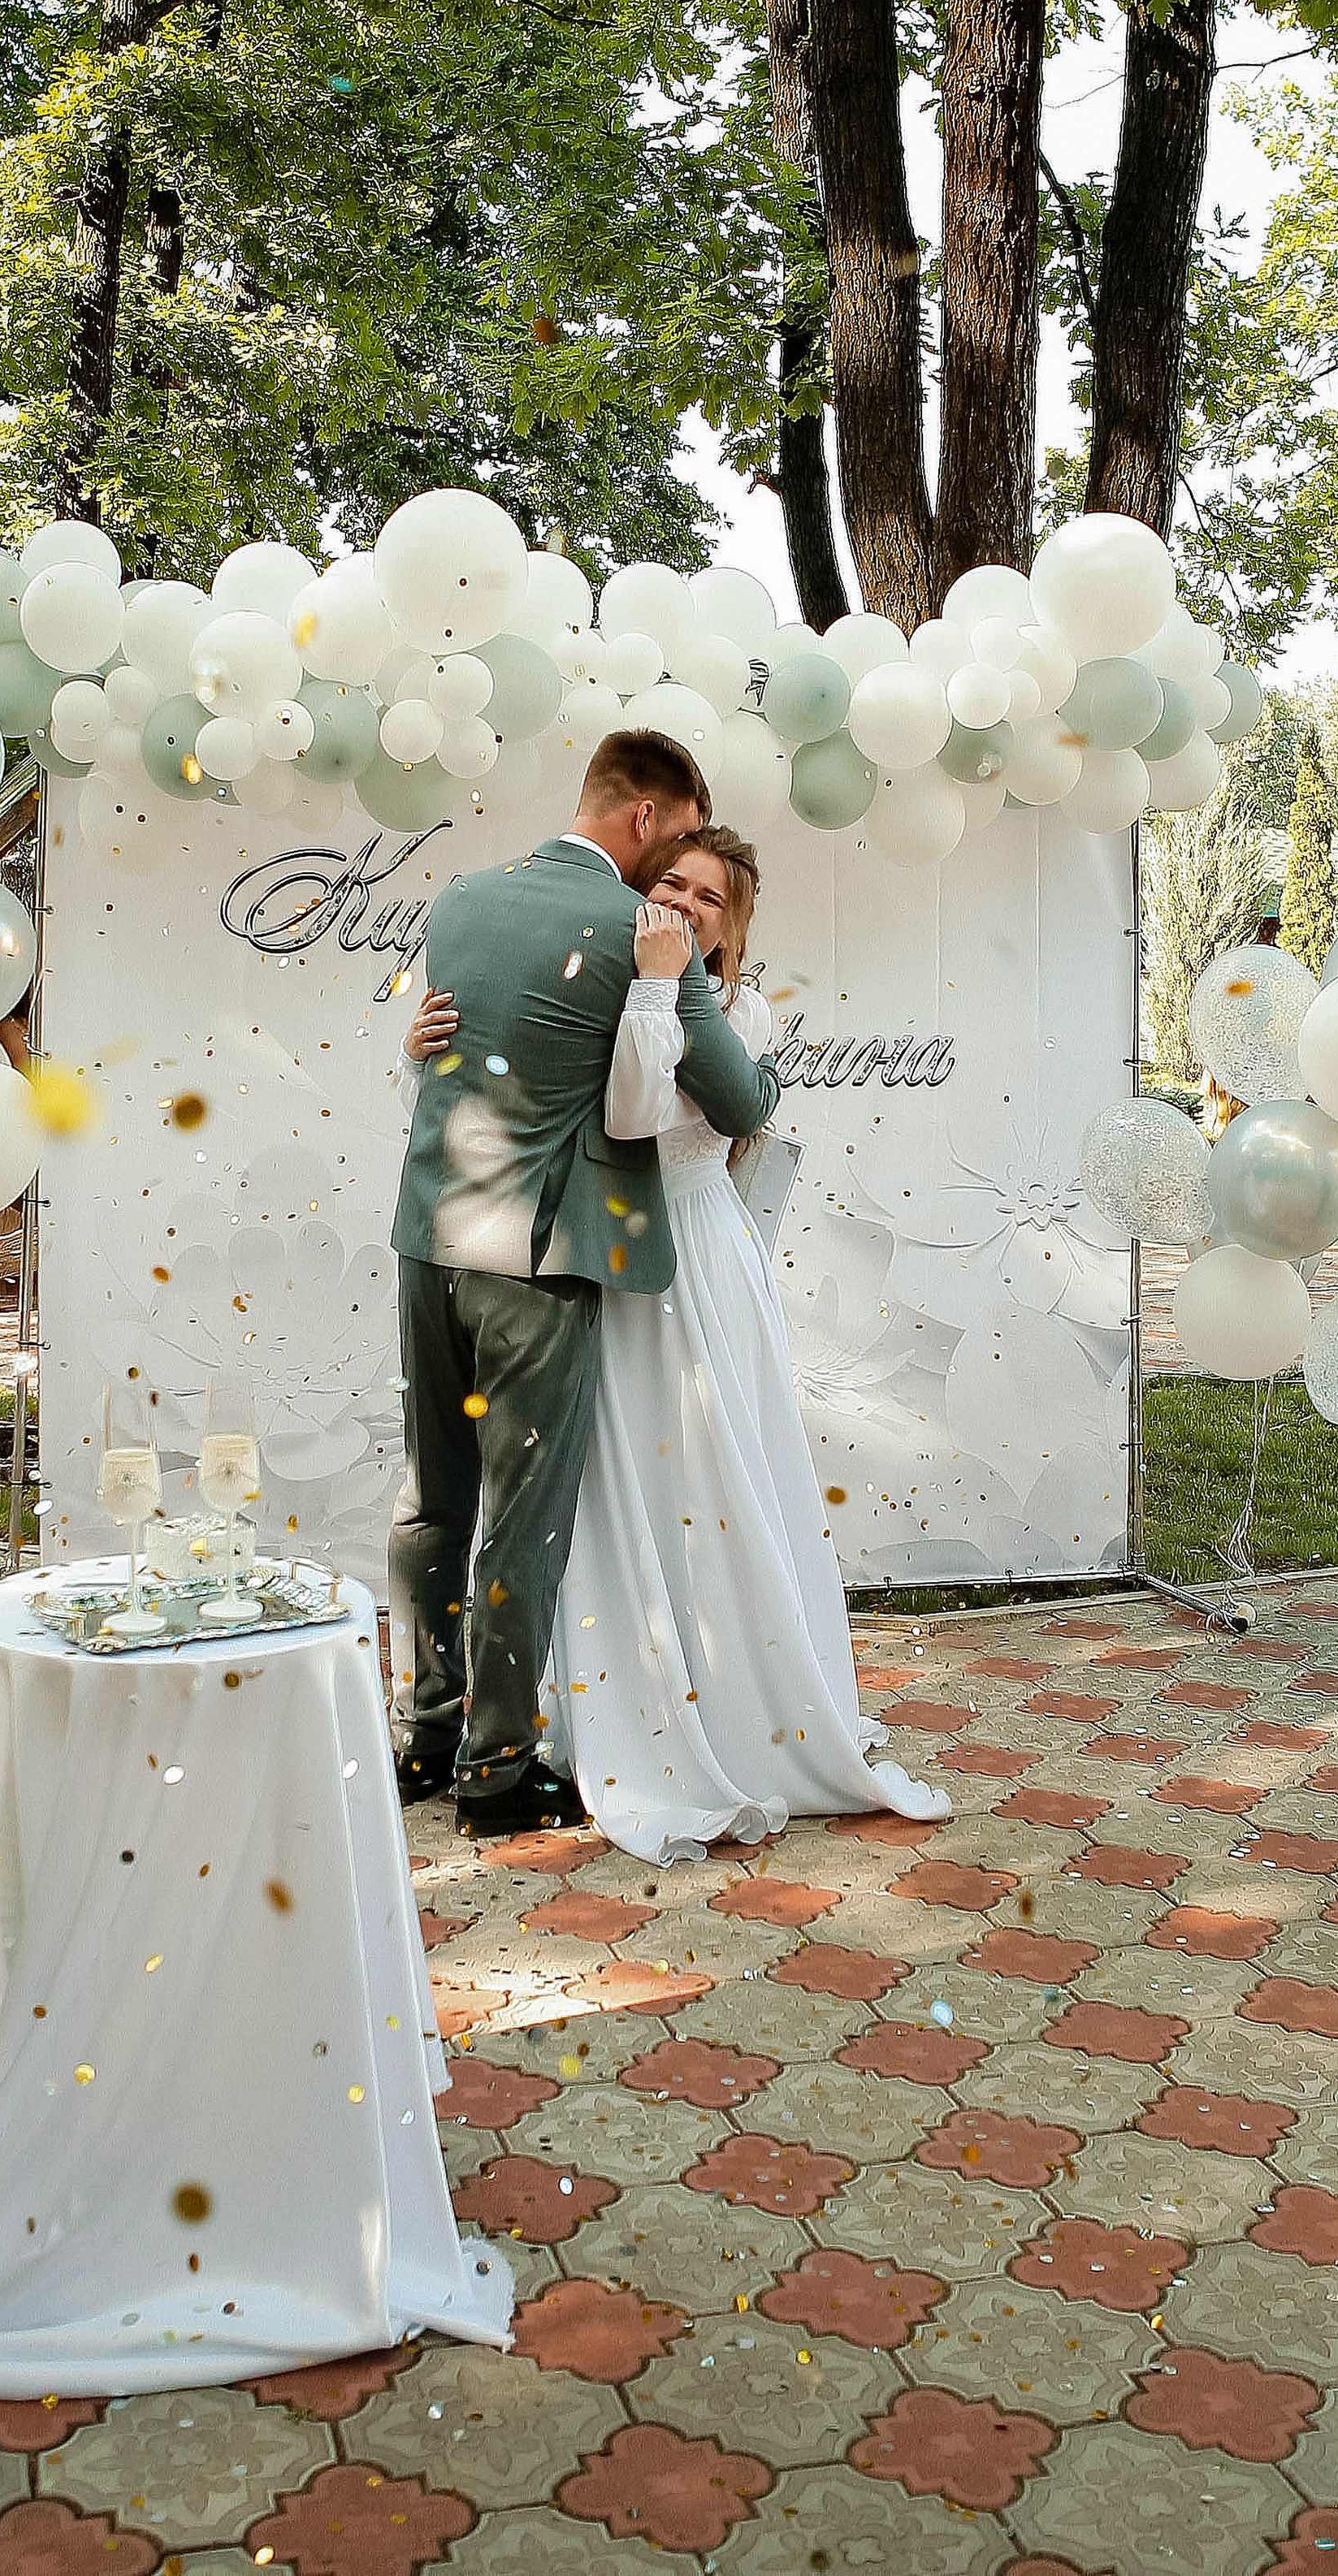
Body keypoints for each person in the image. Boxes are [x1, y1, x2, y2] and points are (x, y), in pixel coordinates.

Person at [407, 826, 949, 1865]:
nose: (688, 905)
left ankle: (730, 1701)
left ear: (731, 927)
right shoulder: (601, 986)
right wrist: (419, 1052)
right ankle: (595, 1701)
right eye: (672, 884)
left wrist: (661, 989)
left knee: (711, 1473)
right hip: (599, 1265)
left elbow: (637, 1113)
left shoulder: (737, 1010)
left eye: (710, 897)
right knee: (597, 1490)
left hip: (693, 1260)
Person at [388, 733, 779, 1839]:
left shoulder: (463, 899)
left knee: (431, 1502)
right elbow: (741, 1102)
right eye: (682, 832)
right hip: (538, 1262)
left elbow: (462, 1052)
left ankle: (423, 1735)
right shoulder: (642, 933)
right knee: (522, 1517)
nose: (680, 867)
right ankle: (497, 1769)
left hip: (428, 1237)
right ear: (647, 816)